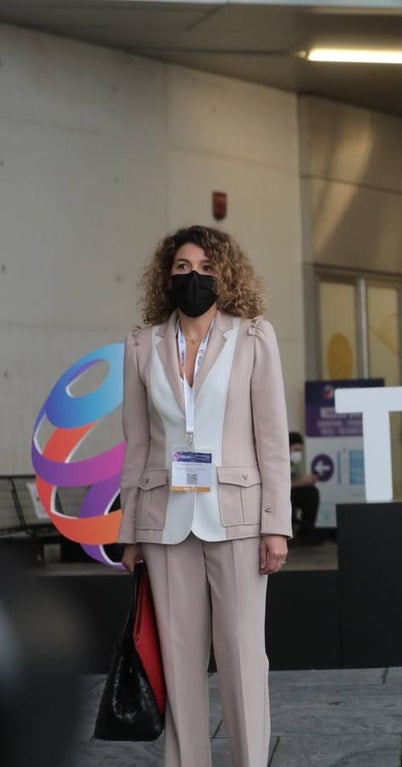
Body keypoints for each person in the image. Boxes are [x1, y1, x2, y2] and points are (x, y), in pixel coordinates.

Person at [117, 225, 292, 767]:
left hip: (238, 517)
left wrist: (276, 524)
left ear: (226, 274)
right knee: (178, 659)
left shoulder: (254, 336)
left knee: (243, 657)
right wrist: (129, 533)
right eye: (183, 269)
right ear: (167, 277)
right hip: (164, 519)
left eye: (206, 268)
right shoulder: (142, 344)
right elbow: (137, 442)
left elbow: (272, 438)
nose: (194, 278)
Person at [289, 431, 320, 544]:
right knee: (289, 498)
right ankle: (288, 536)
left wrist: (306, 481)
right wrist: (301, 482)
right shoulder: (278, 462)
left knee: (312, 492)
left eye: (300, 451)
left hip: (292, 492)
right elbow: (280, 485)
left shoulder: (294, 464)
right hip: (281, 495)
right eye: (296, 450)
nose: (298, 454)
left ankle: (306, 533)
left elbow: (296, 480)